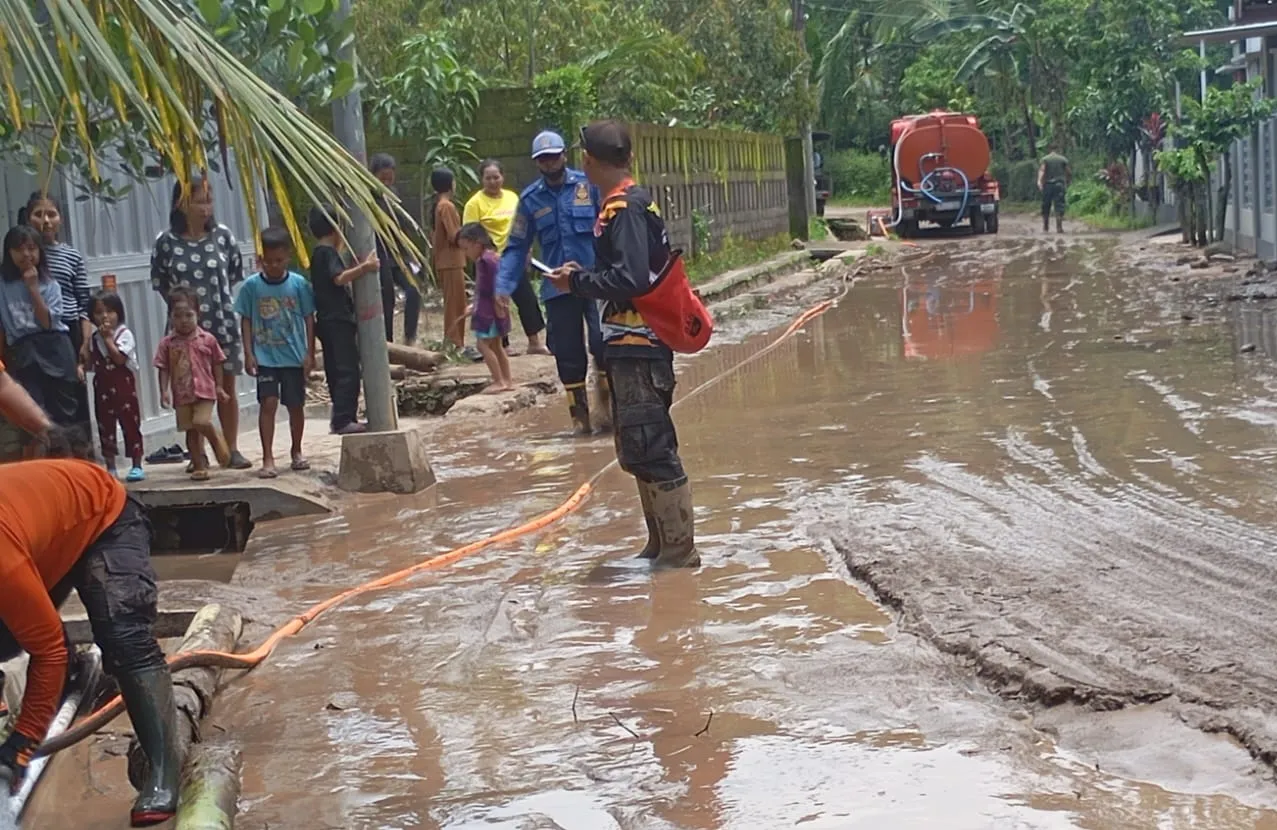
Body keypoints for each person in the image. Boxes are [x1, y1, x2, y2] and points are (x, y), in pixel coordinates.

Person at [0, 436, 180, 827]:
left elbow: (47, 651)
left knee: (122, 634)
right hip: (45, 535)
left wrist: (21, 744)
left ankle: (164, 769)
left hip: (103, 514)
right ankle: (68, 678)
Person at [547, 121, 699, 568]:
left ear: (589, 161)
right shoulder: (626, 205)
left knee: (650, 444)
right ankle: (660, 546)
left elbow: (631, 279)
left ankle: (679, 551)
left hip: (639, 343)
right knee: (636, 446)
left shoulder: (624, 210)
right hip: (629, 342)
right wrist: (585, 276)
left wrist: (577, 282)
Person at [498, 131, 609, 435]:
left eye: (554, 156)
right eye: (543, 159)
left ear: (564, 156)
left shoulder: (588, 187)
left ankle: (608, 410)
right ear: (537, 164)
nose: (550, 163)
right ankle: (580, 422)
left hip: (594, 281)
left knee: (603, 341)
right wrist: (502, 289)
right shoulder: (531, 200)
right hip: (558, 288)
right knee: (568, 353)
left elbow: (609, 225)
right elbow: (516, 246)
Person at [150, 176, 252, 470]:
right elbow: (161, 282)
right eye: (199, 200)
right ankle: (199, 456)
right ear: (181, 204)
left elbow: (233, 274)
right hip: (184, 334)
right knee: (189, 393)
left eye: (209, 200)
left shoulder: (223, 237)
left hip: (221, 326)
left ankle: (231, 449)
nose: (206, 207)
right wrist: (184, 313)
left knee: (225, 390)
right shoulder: (166, 243)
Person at [235, 228, 316, 478]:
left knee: (295, 405)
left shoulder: (299, 285)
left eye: (278, 261)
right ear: (261, 259)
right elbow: (246, 320)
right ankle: (268, 457)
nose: (273, 266)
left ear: (287, 257)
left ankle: (297, 450)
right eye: (268, 261)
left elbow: (309, 319)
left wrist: (309, 353)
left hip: (293, 355)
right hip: (265, 356)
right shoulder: (251, 287)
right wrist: (248, 353)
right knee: (268, 403)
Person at [0, 224, 82, 447]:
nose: (26, 255)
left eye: (31, 248)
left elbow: (47, 322)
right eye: (19, 249)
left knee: (64, 415)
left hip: (54, 347)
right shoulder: (2, 284)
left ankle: (71, 465)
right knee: (33, 417)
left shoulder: (50, 283)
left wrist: (33, 288)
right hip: (22, 350)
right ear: (9, 252)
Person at [463, 159, 548, 356]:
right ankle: (502, 344)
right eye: (488, 178)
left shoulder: (512, 198)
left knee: (526, 298)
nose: (493, 181)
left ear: (503, 177)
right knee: (495, 302)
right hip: (489, 260)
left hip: (514, 258)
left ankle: (534, 341)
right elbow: (470, 233)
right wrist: (483, 255)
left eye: (496, 177)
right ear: (481, 179)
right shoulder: (474, 204)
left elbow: (523, 225)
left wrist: (526, 250)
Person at [24, 192, 92, 427]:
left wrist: (85, 341)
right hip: (33, 335)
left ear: (60, 219)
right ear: (27, 218)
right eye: (38, 214)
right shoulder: (23, 256)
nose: (46, 221)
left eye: (51, 214)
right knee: (40, 402)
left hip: (68, 332)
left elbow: (84, 302)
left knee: (73, 399)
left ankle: (80, 457)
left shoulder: (71, 256)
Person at [308, 205, 376, 436]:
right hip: (337, 320)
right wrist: (365, 267)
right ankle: (343, 419)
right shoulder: (327, 253)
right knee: (348, 371)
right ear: (336, 229)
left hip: (328, 321)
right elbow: (339, 278)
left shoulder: (318, 253)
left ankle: (342, 417)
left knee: (336, 371)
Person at [154, 286, 231, 481]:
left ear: (198, 313)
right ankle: (198, 465)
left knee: (201, 422)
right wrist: (163, 391)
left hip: (205, 390)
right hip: (182, 393)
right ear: (170, 316)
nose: (184, 321)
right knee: (191, 431)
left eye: (188, 315)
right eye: (178, 316)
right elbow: (163, 368)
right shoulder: (167, 343)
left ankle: (215, 439)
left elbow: (218, 363)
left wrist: (220, 387)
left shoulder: (208, 339)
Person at [89, 290, 145, 481]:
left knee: (129, 422)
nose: (105, 316)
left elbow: (120, 359)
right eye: (99, 312)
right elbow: (91, 361)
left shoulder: (124, 334)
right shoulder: (94, 338)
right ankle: (111, 465)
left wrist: (108, 339)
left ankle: (136, 464)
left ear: (119, 313)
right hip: (102, 387)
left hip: (123, 385)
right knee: (105, 424)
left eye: (110, 311)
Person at [371, 153, 422, 346]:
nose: (386, 182)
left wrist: (412, 255)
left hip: (398, 256)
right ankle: (388, 343)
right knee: (387, 299)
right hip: (379, 255)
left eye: (389, 178)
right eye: (382, 178)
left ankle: (410, 338)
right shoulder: (367, 198)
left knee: (414, 289)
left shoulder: (394, 195)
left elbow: (402, 226)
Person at [457, 223, 513, 393]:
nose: (466, 254)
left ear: (477, 243)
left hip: (488, 312)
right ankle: (507, 380)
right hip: (491, 309)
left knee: (483, 345)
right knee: (496, 346)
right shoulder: (491, 258)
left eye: (466, 249)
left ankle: (498, 381)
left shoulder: (485, 261)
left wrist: (479, 306)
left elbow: (492, 287)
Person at [430, 167, 467, 353]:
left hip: (448, 261)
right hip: (451, 261)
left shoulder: (440, 205)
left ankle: (456, 341)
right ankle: (454, 342)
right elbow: (454, 235)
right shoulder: (447, 206)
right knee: (455, 303)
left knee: (455, 301)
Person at [1038, 147, 1072, 234]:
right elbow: (1068, 172)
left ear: (1049, 150)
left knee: (1046, 205)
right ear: (1058, 150)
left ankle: (1045, 227)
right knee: (1059, 205)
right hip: (1059, 185)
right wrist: (1068, 182)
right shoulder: (1063, 159)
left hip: (1048, 185)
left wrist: (1039, 182)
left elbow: (1042, 170)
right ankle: (1059, 227)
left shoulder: (1045, 159)